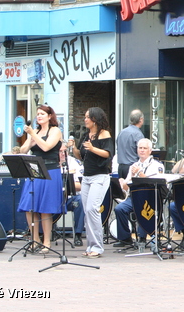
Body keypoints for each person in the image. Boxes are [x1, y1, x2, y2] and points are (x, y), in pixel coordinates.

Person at [16, 105, 63, 254]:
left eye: (42, 114)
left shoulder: (55, 131)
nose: (39, 116)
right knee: (29, 206)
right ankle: (34, 239)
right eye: (37, 114)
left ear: (50, 116)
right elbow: (22, 150)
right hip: (34, 170)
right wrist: (29, 141)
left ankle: (47, 241)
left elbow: (47, 147)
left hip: (50, 170)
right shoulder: (34, 131)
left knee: (45, 208)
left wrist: (33, 136)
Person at [74, 107, 114, 258]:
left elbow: (108, 154)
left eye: (87, 117)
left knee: (92, 209)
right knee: (87, 211)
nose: (85, 120)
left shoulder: (104, 134)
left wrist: (92, 147)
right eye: (84, 117)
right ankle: (90, 245)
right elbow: (81, 155)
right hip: (87, 177)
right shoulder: (86, 135)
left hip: (100, 176)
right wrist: (73, 148)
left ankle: (97, 246)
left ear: (95, 119)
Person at [113, 138, 164, 248]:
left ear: (150, 151)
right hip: (134, 196)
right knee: (119, 209)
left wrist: (140, 173)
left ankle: (144, 237)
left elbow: (155, 183)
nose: (142, 150)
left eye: (145, 148)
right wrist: (124, 181)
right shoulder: (133, 165)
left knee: (142, 209)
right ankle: (125, 238)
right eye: (140, 148)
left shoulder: (157, 165)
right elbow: (126, 187)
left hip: (150, 197)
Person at [58, 141, 86, 247]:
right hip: (55, 198)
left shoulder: (74, 162)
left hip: (70, 198)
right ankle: (44, 233)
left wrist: (67, 185)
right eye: (60, 151)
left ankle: (78, 234)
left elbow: (81, 185)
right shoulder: (51, 163)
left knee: (80, 201)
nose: (62, 154)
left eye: (65, 151)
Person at [115, 109, 145, 180]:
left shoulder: (121, 132)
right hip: (132, 168)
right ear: (140, 120)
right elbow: (141, 152)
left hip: (121, 167)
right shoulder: (138, 134)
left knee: (123, 189)